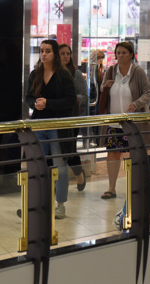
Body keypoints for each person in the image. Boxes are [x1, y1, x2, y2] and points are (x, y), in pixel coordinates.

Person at [25, 40, 77, 219]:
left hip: (57, 127)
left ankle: (60, 203)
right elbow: (28, 97)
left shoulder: (64, 75)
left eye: (48, 51)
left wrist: (49, 103)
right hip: (39, 124)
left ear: (54, 53)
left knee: (60, 166)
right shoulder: (36, 74)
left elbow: (71, 101)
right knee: (39, 164)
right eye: (41, 51)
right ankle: (40, 201)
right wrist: (35, 104)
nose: (44, 54)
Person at [99, 42, 150, 199]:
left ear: (131, 55)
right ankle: (111, 188)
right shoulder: (111, 70)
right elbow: (102, 89)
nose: (120, 55)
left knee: (135, 153)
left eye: (123, 52)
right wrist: (106, 86)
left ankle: (137, 186)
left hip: (133, 123)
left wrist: (136, 104)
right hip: (115, 121)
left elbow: (148, 92)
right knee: (113, 153)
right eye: (118, 52)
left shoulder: (138, 72)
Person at [59, 43, 87, 191]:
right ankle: (57, 182)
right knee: (56, 149)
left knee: (69, 149)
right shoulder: (52, 71)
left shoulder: (75, 73)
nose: (65, 56)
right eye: (62, 53)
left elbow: (84, 95)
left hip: (71, 116)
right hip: (55, 116)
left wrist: (73, 97)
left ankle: (78, 173)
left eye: (67, 54)